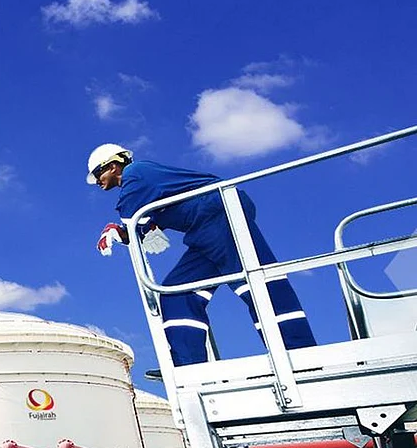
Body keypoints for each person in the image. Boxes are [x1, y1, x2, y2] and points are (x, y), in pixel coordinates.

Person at [87, 143, 317, 367]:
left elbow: (132, 217)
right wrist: (133, 230)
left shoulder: (136, 173)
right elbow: (143, 222)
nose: (97, 181)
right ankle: (188, 365)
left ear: (114, 166)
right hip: (203, 232)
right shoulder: (145, 185)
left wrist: (123, 229)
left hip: (221, 215)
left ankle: (300, 354)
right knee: (176, 293)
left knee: (257, 284)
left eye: (98, 174)